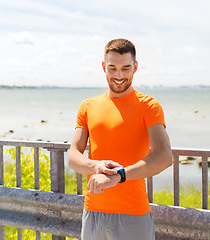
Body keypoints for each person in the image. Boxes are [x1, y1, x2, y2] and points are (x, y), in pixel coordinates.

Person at [68, 38, 173, 240]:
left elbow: (163, 156)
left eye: (126, 68)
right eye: (112, 68)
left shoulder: (149, 106)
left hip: (133, 215)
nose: (119, 75)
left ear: (135, 67)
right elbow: (73, 156)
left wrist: (118, 176)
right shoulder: (88, 106)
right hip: (93, 212)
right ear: (103, 67)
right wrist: (96, 166)